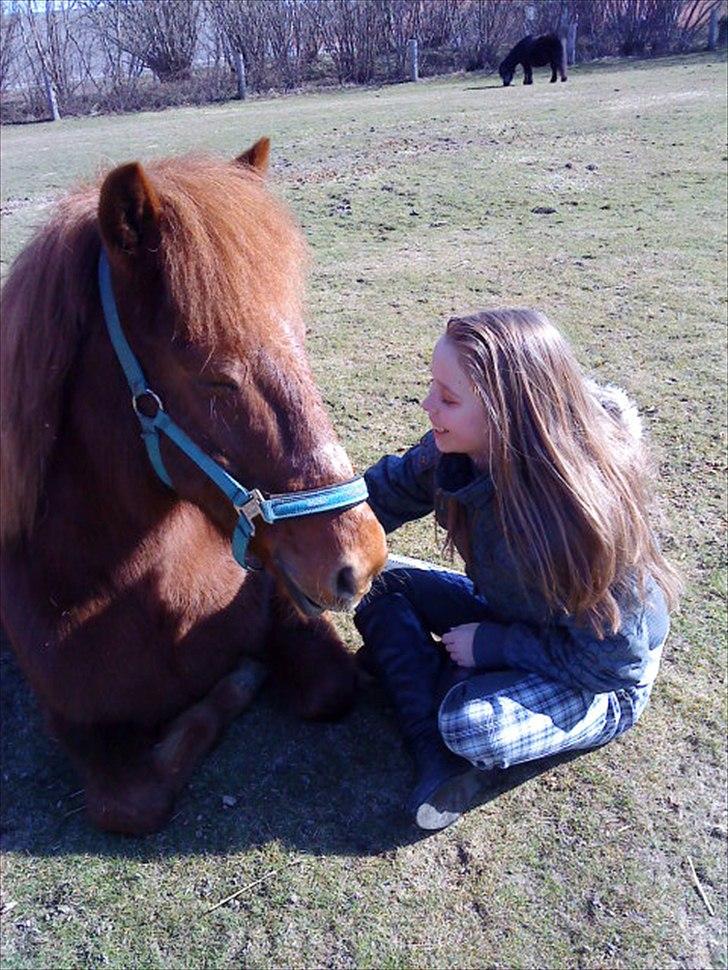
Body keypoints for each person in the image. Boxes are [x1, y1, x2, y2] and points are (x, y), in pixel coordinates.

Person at [355, 308, 680, 831]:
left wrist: (495, 645)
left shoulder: (583, 517)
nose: (427, 405)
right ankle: (436, 728)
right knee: (368, 576)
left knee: (471, 726)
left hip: (604, 676)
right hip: (512, 611)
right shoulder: (454, 453)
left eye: (449, 398)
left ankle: (436, 703)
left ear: (507, 413)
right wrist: (297, 531)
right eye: (432, 388)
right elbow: (381, 497)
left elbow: (613, 665)